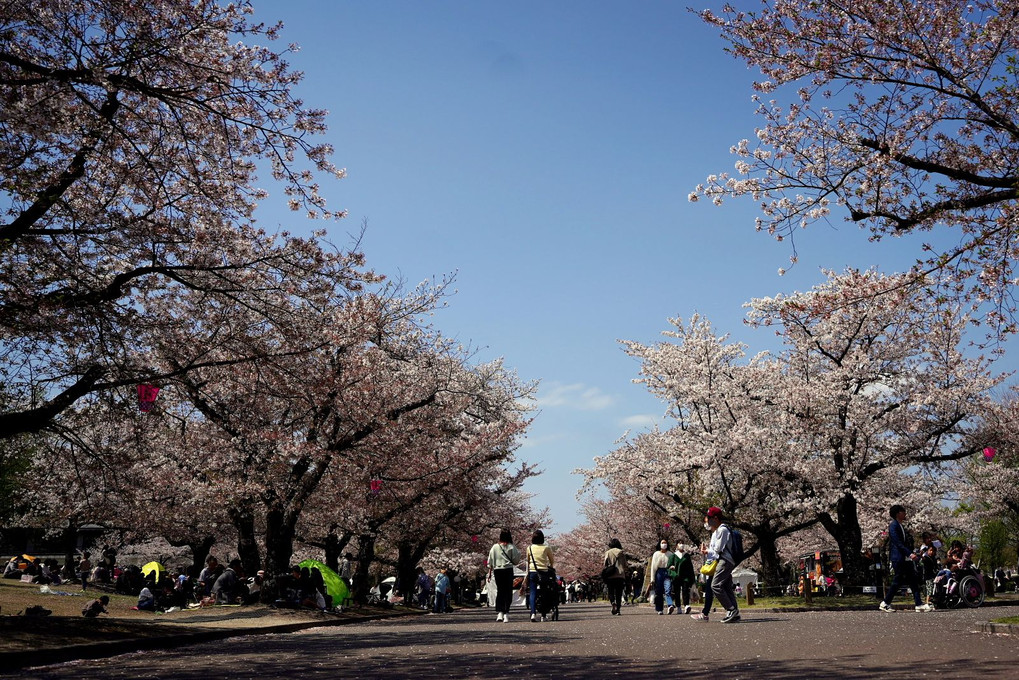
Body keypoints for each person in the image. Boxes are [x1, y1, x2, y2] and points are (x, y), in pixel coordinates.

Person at [879, 504, 933, 613]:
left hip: (904, 558)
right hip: (898, 558)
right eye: (903, 512)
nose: (905, 514)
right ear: (898, 513)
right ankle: (885, 603)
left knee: (913, 579)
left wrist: (912, 552)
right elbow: (898, 543)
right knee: (897, 581)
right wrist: (909, 554)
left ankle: (918, 604)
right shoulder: (893, 526)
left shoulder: (900, 526)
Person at [704, 506, 741, 623]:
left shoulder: (722, 530)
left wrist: (710, 550)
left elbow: (718, 548)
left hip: (725, 561)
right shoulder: (719, 530)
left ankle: (730, 609)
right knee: (726, 587)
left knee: (715, 585)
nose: (707, 520)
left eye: (709, 518)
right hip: (725, 560)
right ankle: (734, 612)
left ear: (715, 518)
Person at [488, 529, 521, 623]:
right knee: (508, 591)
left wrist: (490, 573)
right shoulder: (511, 547)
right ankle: (506, 613)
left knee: (500, 591)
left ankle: (499, 613)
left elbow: (490, 561)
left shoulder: (494, 547)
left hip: (498, 570)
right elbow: (516, 561)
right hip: (508, 570)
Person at [526, 529, 554, 622]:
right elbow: (551, 560)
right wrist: (550, 566)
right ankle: (543, 615)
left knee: (533, 592)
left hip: (533, 572)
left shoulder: (529, 548)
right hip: (544, 572)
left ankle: (533, 613)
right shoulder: (546, 548)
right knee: (544, 592)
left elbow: (528, 560)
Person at [643, 540, 674, 615]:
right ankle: (659, 609)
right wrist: (652, 579)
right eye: (662, 543)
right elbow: (653, 567)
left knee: (668, 589)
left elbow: (673, 564)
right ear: (660, 544)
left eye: (665, 543)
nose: (664, 544)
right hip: (659, 572)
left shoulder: (670, 554)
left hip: (667, 572)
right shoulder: (656, 554)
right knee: (659, 591)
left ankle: (670, 605)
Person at [603, 538, 627, 615]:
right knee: (619, 593)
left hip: (611, 575)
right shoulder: (621, 552)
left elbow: (605, 564)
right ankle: (618, 610)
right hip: (620, 575)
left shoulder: (608, 552)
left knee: (611, 591)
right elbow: (625, 564)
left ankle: (613, 602)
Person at [669, 543, 696, 614]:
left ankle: (686, 605)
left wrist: (692, 578)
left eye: (682, 543)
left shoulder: (686, 556)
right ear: (676, 546)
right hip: (676, 577)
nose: (681, 545)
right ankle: (678, 607)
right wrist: (673, 573)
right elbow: (669, 566)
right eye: (679, 543)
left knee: (685, 590)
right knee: (676, 592)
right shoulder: (673, 556)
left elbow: (690, 567)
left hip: (685, 577)